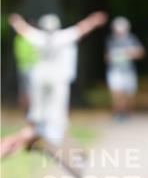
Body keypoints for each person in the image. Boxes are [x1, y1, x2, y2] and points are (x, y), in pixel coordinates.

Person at [8, 11, 107, 146]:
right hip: (57, 76)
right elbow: (81, 28)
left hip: (40, 75)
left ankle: (35, 133)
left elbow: (22, 29)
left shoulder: (38, 36)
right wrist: (94, 20)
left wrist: (16, 20)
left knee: (38, 106)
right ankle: (56, 136)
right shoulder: (62, 36)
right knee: (58, 105)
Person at [105, 17, 144, 119]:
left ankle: (126, 112)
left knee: (127, 94)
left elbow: (141, 53)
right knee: (116, 92)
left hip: (128, 71)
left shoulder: (132, 39)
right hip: (115, 70)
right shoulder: (111, 40)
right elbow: (106, 57)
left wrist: (130, 53)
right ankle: (117, 112)